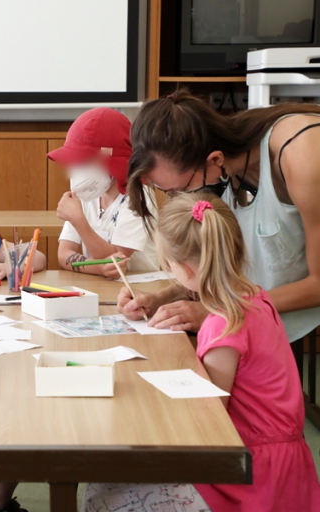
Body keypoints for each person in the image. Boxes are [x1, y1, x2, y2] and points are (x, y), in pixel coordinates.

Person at [84, 194, 320, 512]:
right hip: (280, 462)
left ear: (184, 270)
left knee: (102, 496)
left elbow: (207, 420)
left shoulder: (221, 324)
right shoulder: (256, 298)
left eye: (169, 267)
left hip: (248, 472)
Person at [119, 90, 320, 343]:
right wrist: (161, 298)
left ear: (214, 159)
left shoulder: (303, 154)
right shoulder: (225, 165)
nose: (181, 200)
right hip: (267, 321)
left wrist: (220, 312)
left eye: (180, 190)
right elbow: (218, 266)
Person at [48, 108, 158, 279]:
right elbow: (64, 255)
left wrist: (78, 220)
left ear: (112, 161)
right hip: (99, 286)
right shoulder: (85, 196)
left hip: (140, 288)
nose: (76, 170)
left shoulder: (139, 197)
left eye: (84, 161)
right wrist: (98, 268)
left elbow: (116, 264)